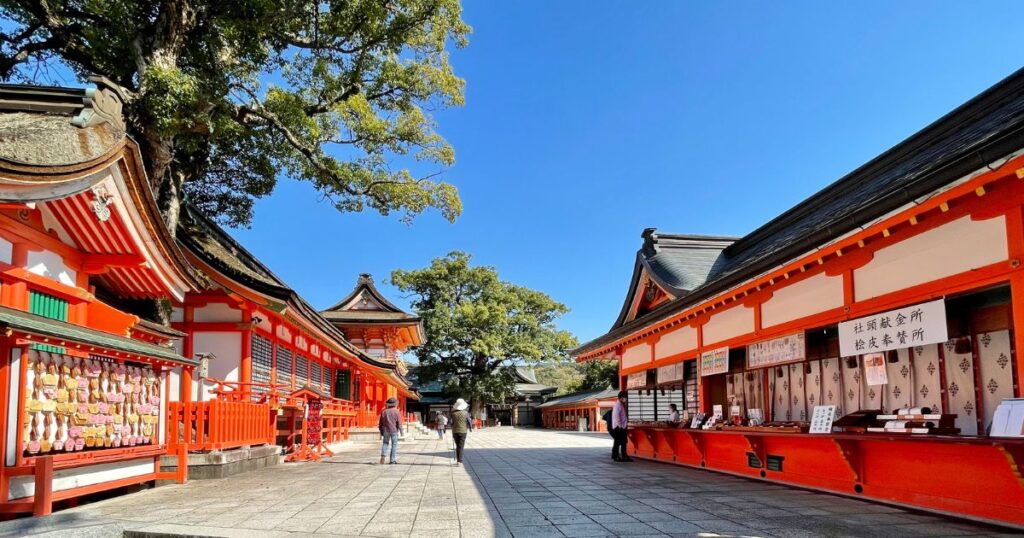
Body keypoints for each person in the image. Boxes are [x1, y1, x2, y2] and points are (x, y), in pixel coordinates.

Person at [378, 397, 403, 464]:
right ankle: (392, 460)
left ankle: (383, 455)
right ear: (395, 404)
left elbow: (380, 423)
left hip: (386, 430)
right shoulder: (396, 411)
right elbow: (399, 422)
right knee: (394, 444)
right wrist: (401, 431)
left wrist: (381, 430)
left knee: (385, 443)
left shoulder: (384, 411)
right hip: (394, 430)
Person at [611, 390, 632, 462]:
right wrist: (620, 426)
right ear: (621, 398)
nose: (626, 399)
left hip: (622, 426)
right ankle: (615, 456)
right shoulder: (618, 405)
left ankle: (624, 455)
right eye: (625, 397)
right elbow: (616, 417)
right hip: (618, 427)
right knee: (617, 442)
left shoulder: (621, 404)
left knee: (623, 442)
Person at [451, 398, 473, 465]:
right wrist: (470, 428)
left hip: (455, 431)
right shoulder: (466, 413)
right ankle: (459, 461)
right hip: (463, 431)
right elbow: (469, 421)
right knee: (461, 446)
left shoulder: (453, 413)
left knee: (458, 445)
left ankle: (458, 460)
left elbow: (451, 422)